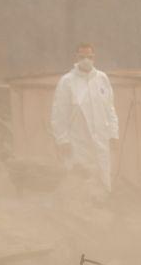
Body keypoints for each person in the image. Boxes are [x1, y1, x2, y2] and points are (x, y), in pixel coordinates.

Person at [50, 43, 119, 191]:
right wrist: (62, 139)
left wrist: (113, 134)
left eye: (89, 56)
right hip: (78, 141)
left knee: (103, 176)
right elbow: (59, 114)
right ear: (76, 57)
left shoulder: (102, 79)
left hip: (101, 139)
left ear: (94, 57)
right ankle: (81, 204)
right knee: (81, 179)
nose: (86, 60)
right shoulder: (67, 81)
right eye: (82, 57)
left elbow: (110, 109)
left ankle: (104, 202)